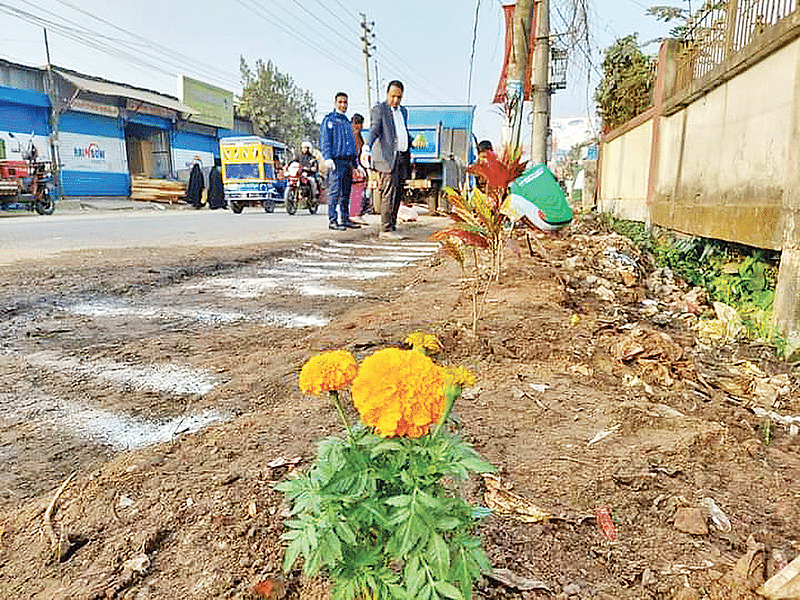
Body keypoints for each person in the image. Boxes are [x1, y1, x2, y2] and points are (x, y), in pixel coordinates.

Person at [364, 80, 421, 239]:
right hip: (387, 158)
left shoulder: (403, 111)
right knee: (388, 193)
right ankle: (385, 229)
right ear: (387, 94)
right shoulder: (380, 109)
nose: (395, 100)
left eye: (399, 97)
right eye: (393, 96)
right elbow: (375, 129)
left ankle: (392, 225)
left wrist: (412, 141)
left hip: (402, 157)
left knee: (398, 193)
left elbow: (402, 132)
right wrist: (367, 146)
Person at [320, 92, 360, 231]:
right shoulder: (329, 120)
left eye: (345, 102)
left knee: (346, 193)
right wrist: (327, 158)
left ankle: (345, 218)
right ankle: (332, 220)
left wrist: (356, 163)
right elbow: (325, 140)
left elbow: (351, 144)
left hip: (347, 161)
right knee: (335, 192)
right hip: (336, 162)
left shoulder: (346, 122)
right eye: (340, 102)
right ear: (335, 103)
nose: (343, 105)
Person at [349, 113, 370, 224]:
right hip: (354, 166)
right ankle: (354, 214)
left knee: (359, 190)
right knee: (357, 190)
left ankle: (357, 213)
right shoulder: (354, 135)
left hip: (358, 165)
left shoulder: (358, 135)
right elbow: (356, 151)